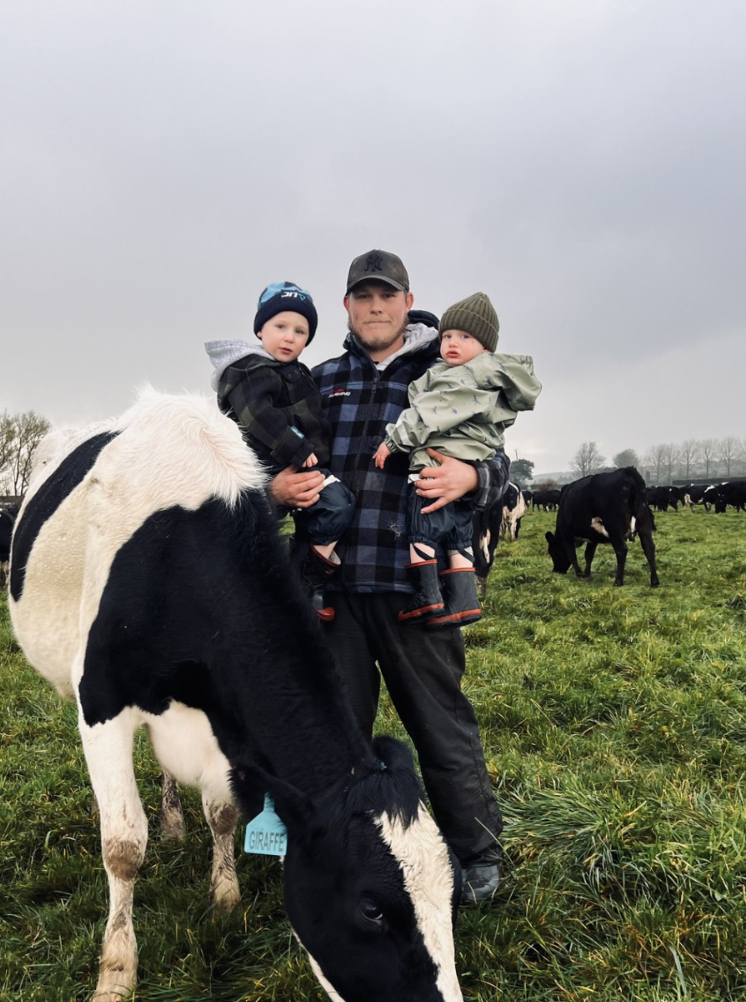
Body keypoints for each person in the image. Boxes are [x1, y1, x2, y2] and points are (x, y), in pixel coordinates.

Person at [269, 250, 506, 905]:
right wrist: (277, 489)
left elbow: (499, 466)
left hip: (415, 592)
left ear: (408, 302)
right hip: (332, 595)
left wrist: (471, 477)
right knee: (337, 737)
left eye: (387, 295)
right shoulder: (317, 380)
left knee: (441, 728)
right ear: (346, 306)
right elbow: (269, 462)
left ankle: (477, 854)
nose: (375, 307)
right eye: (363, 296)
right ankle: (348, 858)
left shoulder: (448, 371)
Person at [373, 292, 541, 627]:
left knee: (421, 526)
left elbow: (428, 413)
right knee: (458, 538)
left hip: (432, 473)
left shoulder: (458, 376)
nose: (452, 343)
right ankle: (464, 599)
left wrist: (474, 477)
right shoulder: (489, 380)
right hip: (352, 590)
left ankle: (428, 594)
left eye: (465, 337)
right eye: (447, 336)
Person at [207, 281, 354, 620]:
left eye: (300, 331)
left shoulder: (301, 374)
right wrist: (297, 448)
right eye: (280, 326)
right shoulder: (247, 369)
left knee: (336, 506)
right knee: (249, 539)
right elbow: (257, 415)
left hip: (303, 466)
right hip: (261, 470)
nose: (290, 337)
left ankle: (304, 584)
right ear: (260, 329)